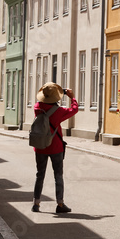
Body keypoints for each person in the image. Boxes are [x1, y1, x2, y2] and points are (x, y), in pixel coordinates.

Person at [32, 83, 78, 213]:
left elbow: (41, 103)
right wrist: (72, 97)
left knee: (39, 175)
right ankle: (60, 204)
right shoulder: (59, 111)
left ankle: (36, 203)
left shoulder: (37, 107)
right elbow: (74, 109)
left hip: (40, 145)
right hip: (55, 146)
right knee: (58, 175)